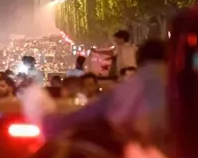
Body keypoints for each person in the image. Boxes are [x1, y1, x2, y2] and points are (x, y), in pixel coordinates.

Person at [23, 40, 169, 146]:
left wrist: (50, 122)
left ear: (139, 62)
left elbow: (88, 114)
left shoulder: (134, 86)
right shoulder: (184, 82)